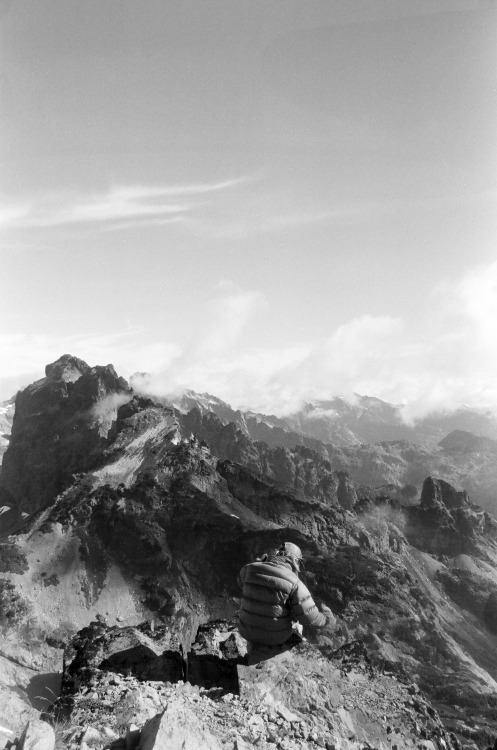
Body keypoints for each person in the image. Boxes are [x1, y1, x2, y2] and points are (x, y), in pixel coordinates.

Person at [237, 542, 334, 657]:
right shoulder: (295, 583)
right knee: (298, 624)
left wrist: (258, 564)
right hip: (275, 638)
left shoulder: (249, 568)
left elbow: (240, 583)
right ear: (294, 560)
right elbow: (310, 618)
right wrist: (327, 618)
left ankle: (253, 650)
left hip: (245, 631)